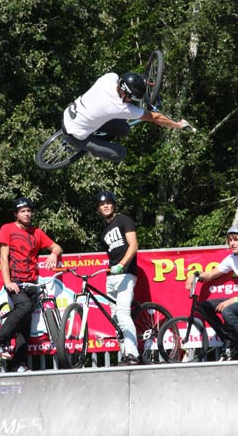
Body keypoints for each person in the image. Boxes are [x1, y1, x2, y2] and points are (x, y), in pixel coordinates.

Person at [0, 197, 63, 372]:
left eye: (29, 210)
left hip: (32, 284)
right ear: (16, 214)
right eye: (23, 211)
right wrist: (7, 282)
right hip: (15, 282)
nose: (27, 214)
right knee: (23, 307)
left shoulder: (36, 232)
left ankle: (18, 364)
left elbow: (58, 247)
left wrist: (54, 254)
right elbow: (3, 257)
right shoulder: (7, 229)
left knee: (25, 326)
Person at [185, 225, 238, 361]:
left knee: (227, 311)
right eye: (230, 240)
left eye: (236, 240)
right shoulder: (232, 259)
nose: (232, 243)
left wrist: (232, 301)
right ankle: (229, 342)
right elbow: (212, 274)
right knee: (204, 306)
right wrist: (196, 275)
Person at [62, 72, 189, 162]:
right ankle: (88, 146)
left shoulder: (109, 78)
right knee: (120, 154)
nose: (130, 101)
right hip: (74, 134)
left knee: (124, 129)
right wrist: (178, 125)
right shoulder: (118, 107)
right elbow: (154, 117)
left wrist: (140, 84)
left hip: (71, 114)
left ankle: (96, 135)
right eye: (131, 98)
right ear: (123, 93)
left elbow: (126, 78)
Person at [96, 190, 140, 365]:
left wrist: (122, 264)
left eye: (108, 203)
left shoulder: (123, 220)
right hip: (111, 278)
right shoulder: (104, 231)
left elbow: (134, 245)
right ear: (98, 209)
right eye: (102, 204)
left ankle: (132, 354)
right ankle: (124, 354)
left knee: (122, 313)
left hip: (126, 274)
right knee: (115, 319)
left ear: (113, 205)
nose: (105, 206)